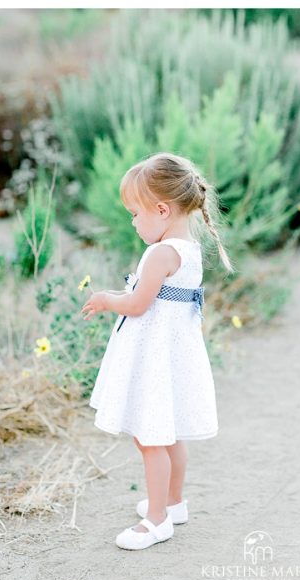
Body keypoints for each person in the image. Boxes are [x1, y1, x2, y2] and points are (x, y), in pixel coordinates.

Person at [81, 152, 233, 550]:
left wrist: (105, 299)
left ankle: (156, 520)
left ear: (161, 209)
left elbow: (137, 304)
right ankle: (173, 502)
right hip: (171, 356)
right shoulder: (188, 249)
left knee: (150, 438)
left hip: (152, 359)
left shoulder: (160, 253)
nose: (133, 222)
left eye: (135, 213)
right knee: (167, 434)